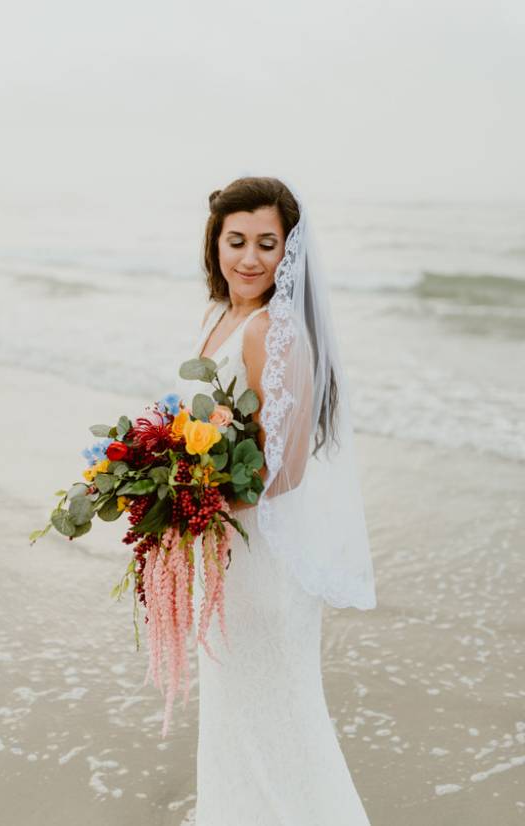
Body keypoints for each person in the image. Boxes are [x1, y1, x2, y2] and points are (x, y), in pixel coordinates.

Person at [173, 176, 376, 825]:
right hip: (224, 548)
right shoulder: (222, 317)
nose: (250, 257)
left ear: (289, 250)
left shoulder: (274, 332)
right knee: (235, 707)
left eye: (268, 242)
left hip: (262, 555)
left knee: (282, 709)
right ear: (217, 242)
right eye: (237, 241)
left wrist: (197, 500)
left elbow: (283, 469)